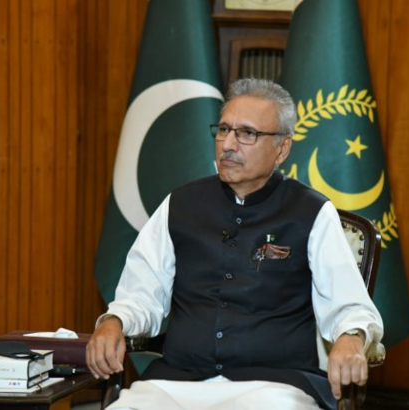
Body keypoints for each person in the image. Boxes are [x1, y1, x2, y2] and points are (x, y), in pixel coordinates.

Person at [86, 78, 384, 410]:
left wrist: (351, 336)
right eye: (224, 130)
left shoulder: (312, 212)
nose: (228, 144)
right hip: (176, 383)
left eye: (247, 134)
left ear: (282, 148)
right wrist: (114, 321)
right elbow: (141, 296)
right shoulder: (179, 205)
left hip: (273, 387)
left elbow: (349, 305)